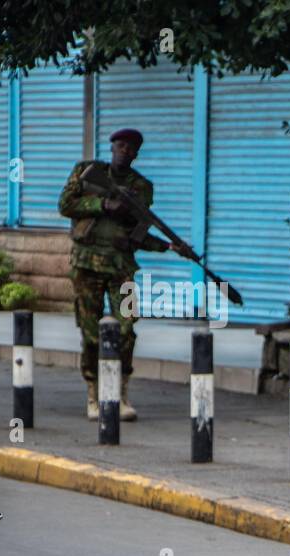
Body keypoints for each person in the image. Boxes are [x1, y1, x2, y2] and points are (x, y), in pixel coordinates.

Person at [58, 129, 187, 422]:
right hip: (86, 265)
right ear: (112, 146)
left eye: (131, 149)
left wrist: (168, 246)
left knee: (127, 329)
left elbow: (140, 234)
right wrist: (102, 204)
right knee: (90, 333)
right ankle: (94, 394)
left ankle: (120, 392)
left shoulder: (141, 187)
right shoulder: (86, 172)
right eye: (120, 146)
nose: (124, 151)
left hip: (122, 270)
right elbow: (65, 205)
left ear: (136, 154)